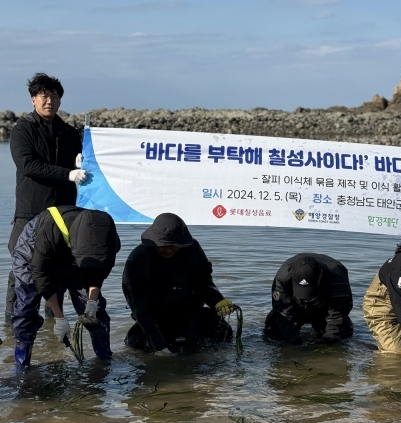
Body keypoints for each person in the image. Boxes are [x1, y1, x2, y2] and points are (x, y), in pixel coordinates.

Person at [7, 73, 86, 321]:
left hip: (63, 214)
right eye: (43, 96)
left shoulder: (70, 133)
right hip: (30, 211)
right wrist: (68, 174)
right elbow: (29, 165)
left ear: (60, 100)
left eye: (53, 96)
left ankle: (54, 327)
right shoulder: (22, 130)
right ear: (33, 100)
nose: (49, 101)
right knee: (21, 270)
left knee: (58, 270)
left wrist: (84, 161)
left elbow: (87, 168)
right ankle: (12, 324)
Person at [12, 206, 120, 368]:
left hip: (81, 247)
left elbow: (98, 272)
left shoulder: (107, 240)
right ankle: (22, 363)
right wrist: (59, 319)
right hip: (35, 245)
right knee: (26, 304)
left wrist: (92, 301)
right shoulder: (51, 231)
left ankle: (103, 359)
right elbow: (41, 277)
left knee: (96, 312)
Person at [122, 213, 233, 353]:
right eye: (164, 246)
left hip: (189, 311)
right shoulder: (137, 260)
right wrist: (160, 347)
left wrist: (217, 300)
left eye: (174, 246)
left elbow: (203, 281)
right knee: (140, 346)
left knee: (224, 333)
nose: (169, 250)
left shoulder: (192, 249)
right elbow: (140, 308)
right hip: (156, 316)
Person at [264, 253, 353, 344]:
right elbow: (282, 311)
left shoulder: (337, 278)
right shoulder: (282, 278)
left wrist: (329, 340)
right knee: (273, 332)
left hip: (324, 304)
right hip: (295, 304)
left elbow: (338, 313)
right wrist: (293, 340)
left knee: (341, 336)